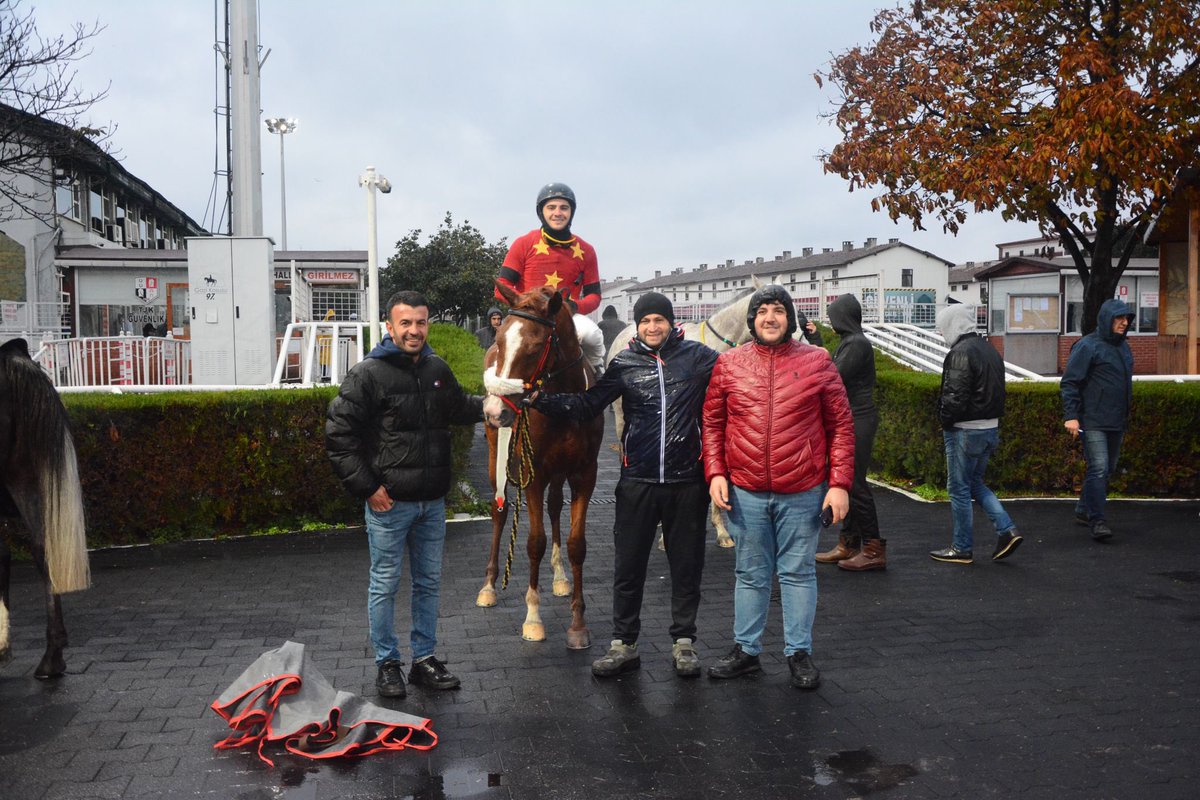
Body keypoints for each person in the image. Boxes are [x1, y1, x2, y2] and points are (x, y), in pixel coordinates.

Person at [531, 292, 718, 678]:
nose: (653, 327)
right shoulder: (625, 363)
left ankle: (684, 644)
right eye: (645, 321)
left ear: (671, 323)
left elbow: (742, 380)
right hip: (637, 482)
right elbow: (587, 404)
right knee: (628, 568)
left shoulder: (699, 359)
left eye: (659, 320)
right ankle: (624, 644)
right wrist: (538, 400)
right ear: (637, 325)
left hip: (687, 483)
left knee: (686, 567)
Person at [326, 290, 484, 698]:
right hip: (389, 505)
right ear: (389, 326)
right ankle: (387, 664)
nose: (414, 330)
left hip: (432, 503)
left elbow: (459, 405)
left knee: (428, 584)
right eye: (406, 323)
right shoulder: (368, 374)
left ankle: (424, 660)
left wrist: (494, 404)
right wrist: (368, 488)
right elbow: (339, 435)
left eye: (421, 322)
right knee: (385, 584)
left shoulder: (436, 367)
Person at [702, 284, 854, 690]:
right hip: (745, 491)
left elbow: (840, 427)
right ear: (752, 319)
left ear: (790, 319)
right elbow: (713, 425)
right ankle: (746, 651)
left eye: (778, 311)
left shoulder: (819, 361)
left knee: (798, 573)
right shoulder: (729, 364)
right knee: (750, 573)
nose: (770, 317)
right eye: (763, 310)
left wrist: (838, 484)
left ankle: (798, 653)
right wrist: (716, 473)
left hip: (803, 491)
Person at [929, 304, 1023, 564]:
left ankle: (962, 548)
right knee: (975, 484)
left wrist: (945, 421)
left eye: (942, 328)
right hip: (990, 428)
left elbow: (954, 397)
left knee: (958, 489)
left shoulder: (960, 353)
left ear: (953, 325)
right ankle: (1007, 530)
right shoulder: (989, 349)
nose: (941, 333)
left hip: (965, 430)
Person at [497, 182, 605, 370]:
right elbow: (502, 285)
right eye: (551, 207)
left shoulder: (587, 250)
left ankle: (599, 375)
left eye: (564, 208)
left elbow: (594, 297)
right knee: (502, 347)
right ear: (542, 212)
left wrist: (574, 306)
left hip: (567, 318)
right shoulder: (523, 243)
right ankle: (493, 395)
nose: (558, 213)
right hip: (527, 317)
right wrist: (527, 305)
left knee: (591, 334)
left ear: (571, 212)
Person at [818, 293, 886, 570]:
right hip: (852, 418)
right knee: (847, 482)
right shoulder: (850, 342)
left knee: (856, 486)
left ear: (841, 318)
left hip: (859, 419)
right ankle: (849, 542)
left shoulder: (856, 344)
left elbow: (832, 377)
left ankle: (873, 548)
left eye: (833, 315)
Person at [1060, 298, 1136, 541]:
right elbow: (1070, 382)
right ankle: (1097, 520)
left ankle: (1083, 510)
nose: (1125, 323)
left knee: (1107, 469)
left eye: (1127, 319)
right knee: (1100, 467)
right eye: (1119, 318)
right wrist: (1071, 416)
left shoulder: (1124, 346)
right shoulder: (1087, 346)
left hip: (1116, 419)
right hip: (1092, 419)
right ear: (1106, 319)